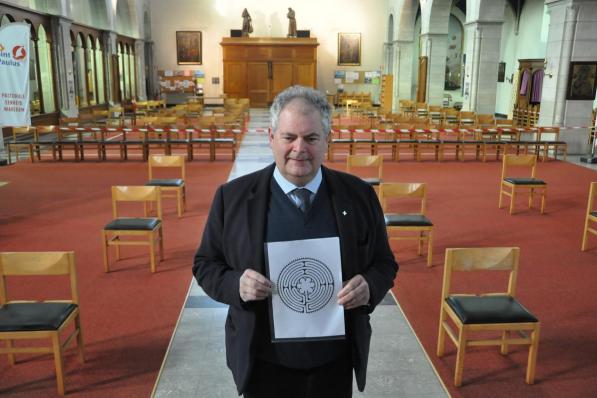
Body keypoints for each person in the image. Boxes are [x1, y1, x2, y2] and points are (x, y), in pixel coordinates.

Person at [193, 85, 398, 398]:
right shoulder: (231, 199)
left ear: (327, 140)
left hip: (335, 361)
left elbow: (385, 264)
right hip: (262, 362)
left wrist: (369, 285)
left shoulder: (359, 196)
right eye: (289, 137)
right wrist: (237, 284)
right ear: (272, 137)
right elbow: (205, 265)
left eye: (311, 138)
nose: (299, 148)